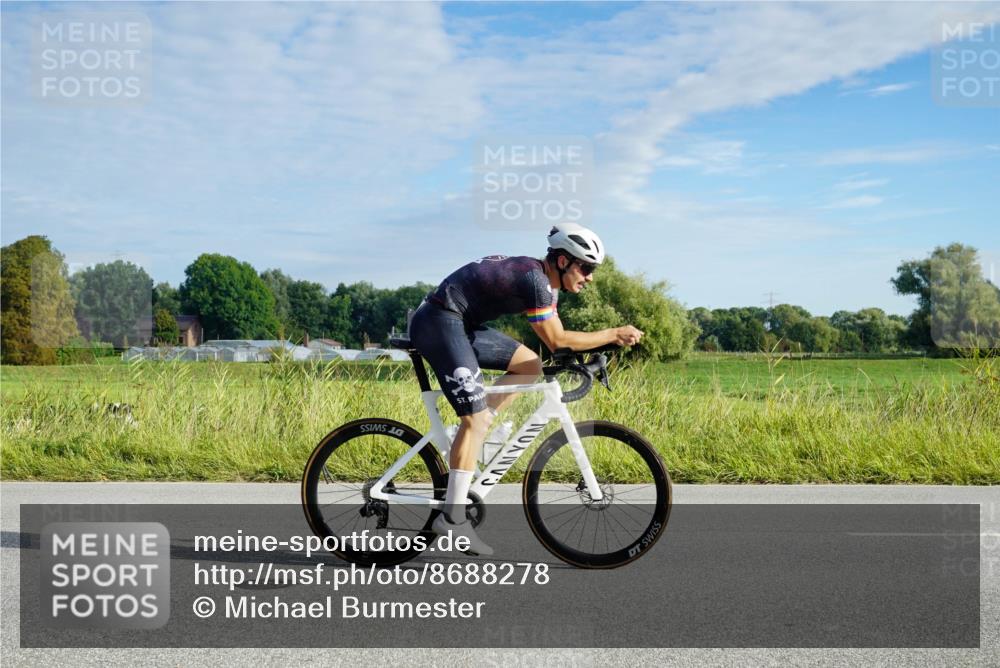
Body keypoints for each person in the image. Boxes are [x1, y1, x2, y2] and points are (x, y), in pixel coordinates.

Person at [408, 223, 643, 555]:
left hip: (460, 322)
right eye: (586, 268)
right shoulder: (535, 281)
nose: (590, 277)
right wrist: (613, 334)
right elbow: (558, 340)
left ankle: (472, 433)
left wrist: (587, 357)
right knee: (475, 420)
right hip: (438, 321)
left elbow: (555, 345)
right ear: (563, 261)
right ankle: (452, 518)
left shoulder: (544, 284)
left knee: (530, 366)